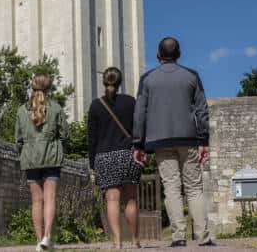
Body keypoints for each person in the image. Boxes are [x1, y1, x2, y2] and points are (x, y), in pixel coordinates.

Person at [132, 37, 215, 247]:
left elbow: (139, 113)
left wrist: (138, 144)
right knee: (194, 188)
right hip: (188, 138)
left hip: (159, 140)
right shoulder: (192, 76)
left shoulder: (147, 79)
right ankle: (202, 237)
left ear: (158, 55)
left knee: (171, 187)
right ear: (178, 54)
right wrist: (204, 140)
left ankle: (178, 236)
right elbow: (202, 110)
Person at [88, 67, 141, 249]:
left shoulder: (96, 105)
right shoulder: (130, 102)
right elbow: (138, 129)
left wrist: (92, 162)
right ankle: (134, 241)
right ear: (120, 82)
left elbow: (91, 138)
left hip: (104, 156)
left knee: (112, 200)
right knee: (131, 200)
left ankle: (117, 242)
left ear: (104, 82)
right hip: (127, 154)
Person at [15, 73, 68, 252]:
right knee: (50, 198)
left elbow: (18, 140)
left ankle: (39, 241)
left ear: (32, 86)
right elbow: (64, 135)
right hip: (52, 157)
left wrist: (23, 153)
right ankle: (47, 236)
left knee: (36, 201)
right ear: (49, 87)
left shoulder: (22, 110)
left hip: (30, 159)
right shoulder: (56, 108)